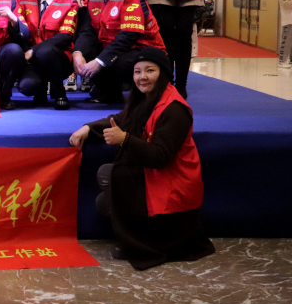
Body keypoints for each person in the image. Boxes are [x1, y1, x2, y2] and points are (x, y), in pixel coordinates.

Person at [69, 47, 214, 270]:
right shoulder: (147, 99)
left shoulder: (174, 109)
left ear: (163, 73)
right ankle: (139, 236)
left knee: (108, 175)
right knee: (104, 200)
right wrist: (88, 128)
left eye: (150, 70)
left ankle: (148, 242)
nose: (142, 77)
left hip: (172, 185)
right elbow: (121, 119)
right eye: (137, 72)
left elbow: (160, 157)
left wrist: (125, 139)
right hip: (156, 176)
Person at [73, 0, 166, 104]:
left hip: (144, 50)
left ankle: (146, 95)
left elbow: (128, 36)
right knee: (87, 51)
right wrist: (78, 53)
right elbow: (88, 30)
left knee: (120, 62)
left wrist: (100, 61)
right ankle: (109, 93)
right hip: (115, 48)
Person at [17, 0, 78, 110]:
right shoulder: (23, 2)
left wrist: (34, 50)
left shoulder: (70, 3)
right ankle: (40, 89)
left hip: (60, 58)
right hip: (33, 60)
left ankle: (60, 94)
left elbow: (65, 36)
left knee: (45, 51)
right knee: (27, 87)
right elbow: (21, 32)